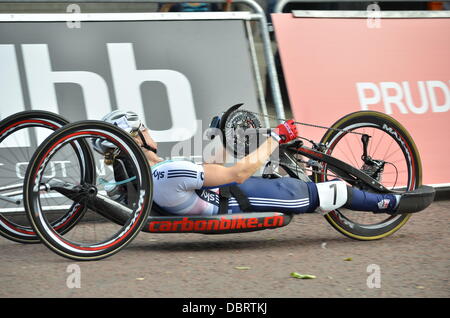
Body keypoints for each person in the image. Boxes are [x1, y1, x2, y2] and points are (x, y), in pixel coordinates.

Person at [99, 110, 424, 216]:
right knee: (332, 192)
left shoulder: (160, 172)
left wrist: (219, 136)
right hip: (246, 197)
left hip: (231, 191)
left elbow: (215, 171)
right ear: (136, 138)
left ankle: (327, 172)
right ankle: (390, 202)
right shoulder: (166, 171)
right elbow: (237, 174)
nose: (149, 131)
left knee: (278, 157)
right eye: (143, 128)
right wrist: (275, 138)